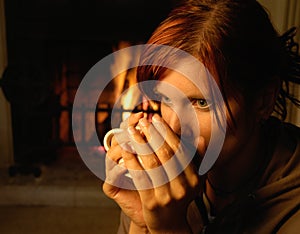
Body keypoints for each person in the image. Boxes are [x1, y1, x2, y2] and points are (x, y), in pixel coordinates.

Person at [102, 0, 300, 233]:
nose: (173, 125)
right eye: (165, 99)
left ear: (262, 102)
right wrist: (143, 221)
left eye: (202, 103)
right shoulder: (168, 183)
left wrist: (170, 228)